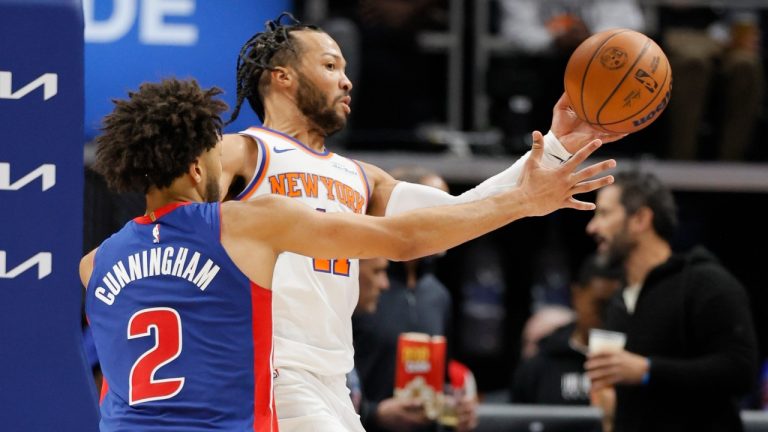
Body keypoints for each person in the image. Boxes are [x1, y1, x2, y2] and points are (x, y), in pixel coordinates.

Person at [81, 78, 613, 431]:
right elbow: (405, 239)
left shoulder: (95, 264)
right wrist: (525, 201)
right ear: (199, 166)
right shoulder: (245, 221)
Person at [220, 13, 621, 431]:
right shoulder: (243, 153)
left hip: (333, 381)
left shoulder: (361, 177)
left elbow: (459, 211)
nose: (346, 80)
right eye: (329, 65)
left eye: (344, 68)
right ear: (281, 77)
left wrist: (556, 147)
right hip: (270, 369)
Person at [583, 170, 758, 432]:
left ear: (640, 219)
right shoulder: (621, 296)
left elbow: (740, 371)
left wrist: (647, 370)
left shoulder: (705, 282)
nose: (592, 227)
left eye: (605, 214)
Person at [352, 168, 477, 432]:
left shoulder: (439, 296)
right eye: (438, 206)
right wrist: (374, 414)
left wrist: (455, 411)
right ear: (404, 210)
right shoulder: (360, 284)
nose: (450, 218)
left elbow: (440, 383)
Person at [512, 255, 623, 405]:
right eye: (600, 305)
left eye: (615, 306)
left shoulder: (631, 362)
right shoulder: (539, 367)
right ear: (576, 296)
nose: (607, 315)